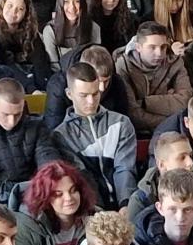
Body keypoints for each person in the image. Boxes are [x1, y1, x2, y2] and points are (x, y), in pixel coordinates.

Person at [52, 62, 139, 207]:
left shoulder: (121, 123)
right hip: (91, 207)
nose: (91, 101)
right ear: (69, 94)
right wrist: (98, 211)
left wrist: (126, 204)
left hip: (126, 202)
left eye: (95, 93)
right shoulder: (61, 135)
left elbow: (125, 168)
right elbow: (81, 177)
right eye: (83, 95)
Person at [116, 21, 192, 135]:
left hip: (172, 132)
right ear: (138, 47)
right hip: (136, 133)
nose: (159, 53)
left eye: (163, 47)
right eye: (152, 47)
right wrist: (169, 103)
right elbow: (133, 114)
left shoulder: (176, 63)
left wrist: (145, 103)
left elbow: (185, 102)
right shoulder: (123, 66)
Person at [21, 159, 96, 245]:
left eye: (73, 190)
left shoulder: (95, 217)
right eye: (58, 194)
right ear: (44, 199)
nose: (68, 198)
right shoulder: (29, 228)